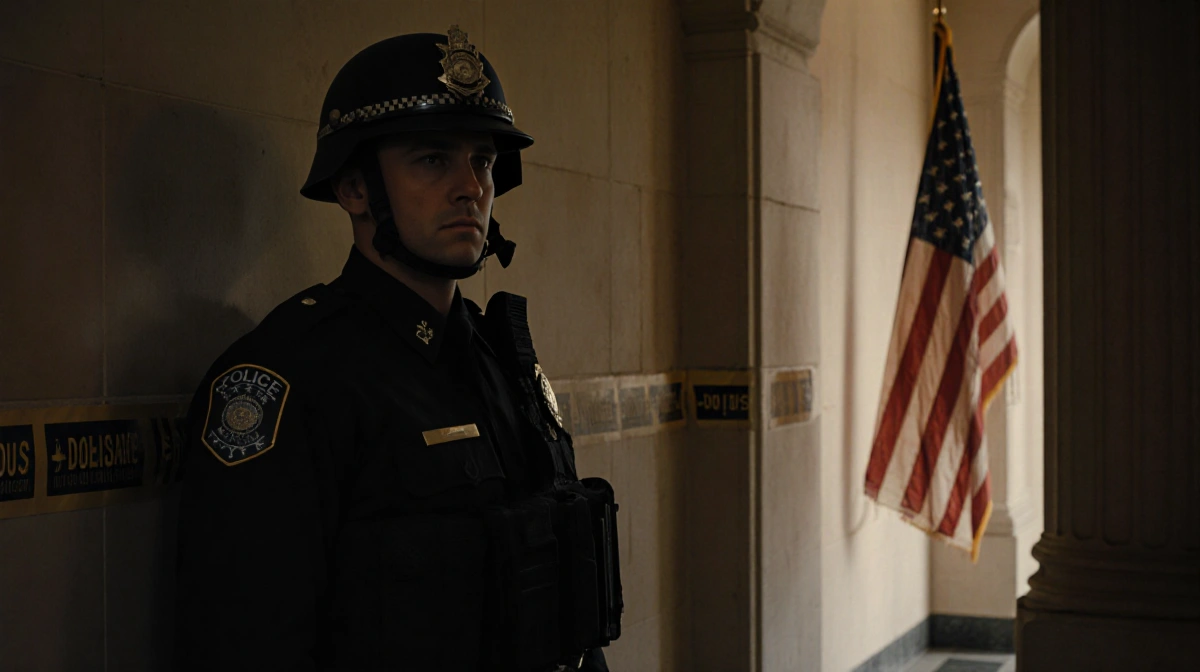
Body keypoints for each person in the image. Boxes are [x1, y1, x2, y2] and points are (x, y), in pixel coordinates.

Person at [174, 27, 620, 672]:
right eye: (433, 159)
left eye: (483, 161)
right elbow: (246, 638)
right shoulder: (291, 376)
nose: (471, 187)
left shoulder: (501, 360)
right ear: (354, 189)